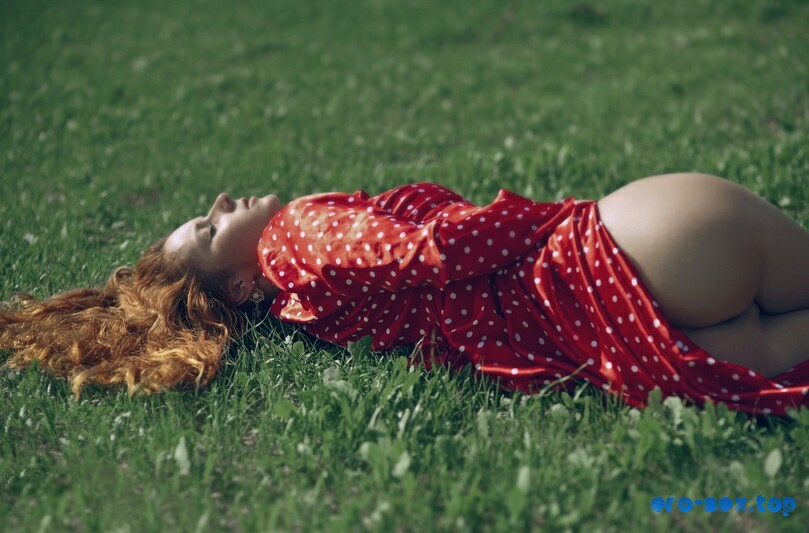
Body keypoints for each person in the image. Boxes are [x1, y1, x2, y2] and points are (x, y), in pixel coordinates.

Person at [2, 173, 808, 415]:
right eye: (210, 228)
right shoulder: (296, 237)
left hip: (599, 329)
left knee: (772, 348)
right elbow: (433, 249)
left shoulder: (311, 311)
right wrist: (544, 217)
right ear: (245, 282)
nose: (220, 202)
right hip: (625, 242)